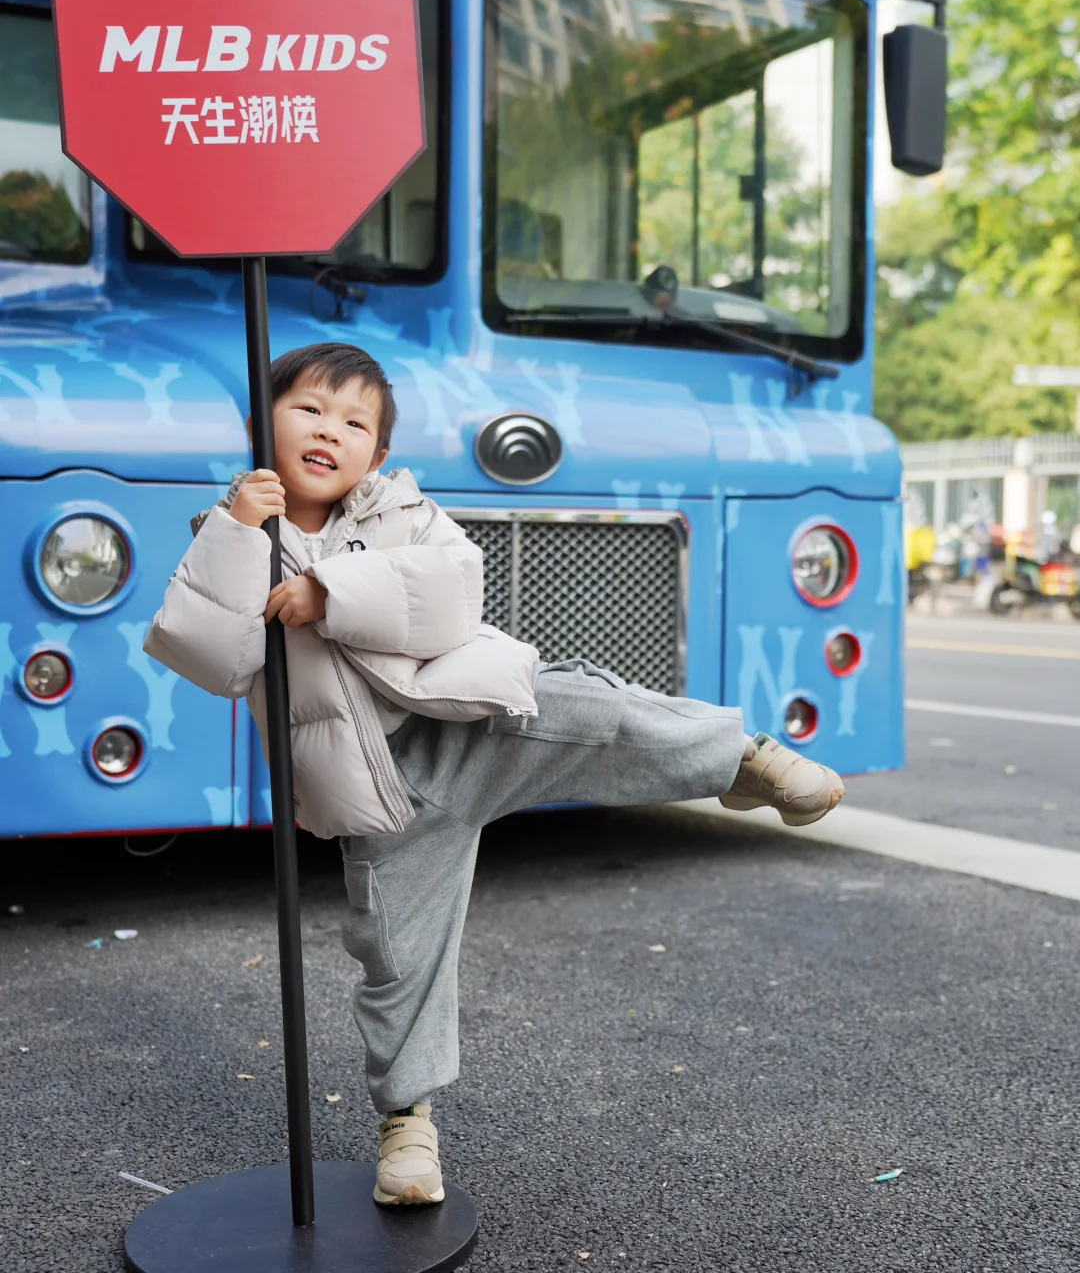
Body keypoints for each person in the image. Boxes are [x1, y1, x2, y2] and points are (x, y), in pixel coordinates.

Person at [145, 342, 845, 1207]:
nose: (330, 431)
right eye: (309, 411)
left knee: (595, 708)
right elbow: (206, 652)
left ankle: (739, 758)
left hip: (477, 722)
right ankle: (408, 1124)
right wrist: (236, 531)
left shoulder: (402, 512)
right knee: (397, 956)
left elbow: (452, 593)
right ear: (262, 428)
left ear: (379, 455)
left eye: (354, 422)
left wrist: (332, 590)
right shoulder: (232, 537)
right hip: (383, 795)